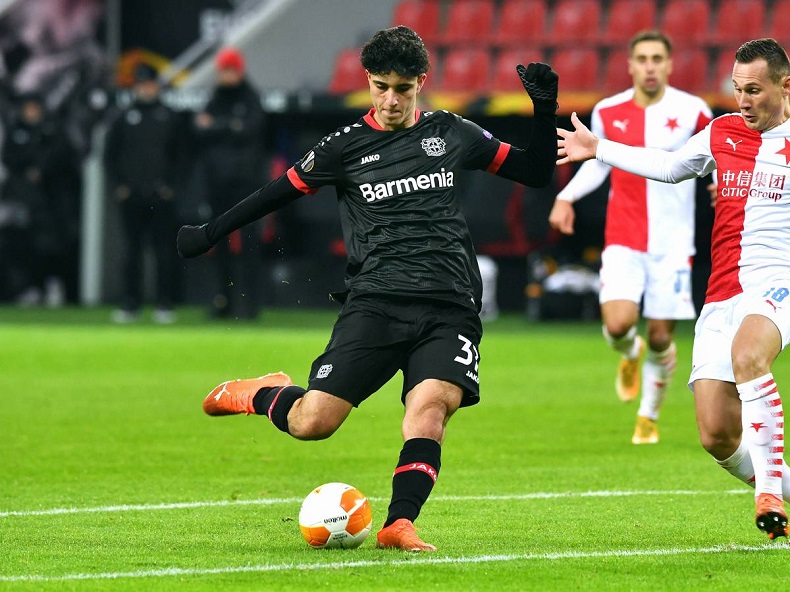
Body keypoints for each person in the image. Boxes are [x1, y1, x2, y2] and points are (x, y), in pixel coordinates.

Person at [178, 26, 558, 551]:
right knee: (313, 422)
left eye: (402, 88)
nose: (391, 100)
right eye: (381, 87)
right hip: (376, 303)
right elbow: (274, 195)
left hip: (449, 305)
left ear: (421, 81)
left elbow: (535, 172)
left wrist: (544, 109)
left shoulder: (452, 132)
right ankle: (258, 393)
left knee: (430, 409)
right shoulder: (344, 147)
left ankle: (399, 523)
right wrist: (209, 233)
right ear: (367, 82)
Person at [557, 37, 790, 540]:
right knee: (717, 434)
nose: (743, 100)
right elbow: (668, 167)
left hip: (777, 283)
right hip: (722, 292)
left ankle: (769, 494)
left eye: (754, 90)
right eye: (737, 89)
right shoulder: (722, 131)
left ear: (785, 86)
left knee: (750, 357)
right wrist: (599, 148)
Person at [549, 31, 713, 445]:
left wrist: (718, 184)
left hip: (673, 242)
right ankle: (629, 353)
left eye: (657, 58)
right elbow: (598, 162)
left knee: (660, 336)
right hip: (623, 236)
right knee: (619, 324)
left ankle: (648, 417)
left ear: (669, 64)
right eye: (642, 58)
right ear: (630, 65)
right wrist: (566, 197)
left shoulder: (694, 111)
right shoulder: (609, 110)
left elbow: (713, 158)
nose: (650, 66)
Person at [192, 46, 267, 319]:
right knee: (218, 241)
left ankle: (250, 303)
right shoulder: (214, 98)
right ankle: (223, 300)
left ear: (239, 70)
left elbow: (249, 130)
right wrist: (230, 125)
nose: (226, 75)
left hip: (246, 183)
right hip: (217, 181)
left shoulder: (251, 98)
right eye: (222, 70)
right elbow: (198, 129)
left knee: (249, 241)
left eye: (230, 70)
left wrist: (216, 126)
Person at [104, 63, 182, 323]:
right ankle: (130, 303)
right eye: (141, 84)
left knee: (164, 250)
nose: (146, 89)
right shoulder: (123, 117)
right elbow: (110, 156)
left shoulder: (170, 116)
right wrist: (120, 186)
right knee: (132, 251)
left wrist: (171, 186)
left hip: (161, 196)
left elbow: (183, 156)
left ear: (157, 86)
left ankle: (164, 303)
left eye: (149, 84)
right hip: (132, 196)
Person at [1, 90, 79, 306]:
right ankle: (25, 289)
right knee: (19, 248)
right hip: (21, 202)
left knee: (51, 248)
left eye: (36, 108)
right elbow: (9, 158)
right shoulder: (16, 131)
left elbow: (62, 154)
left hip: (50, 205)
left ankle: (51, 287)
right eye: (29, 108)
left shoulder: (52, 130)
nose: (32, 112)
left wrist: (40, 168)